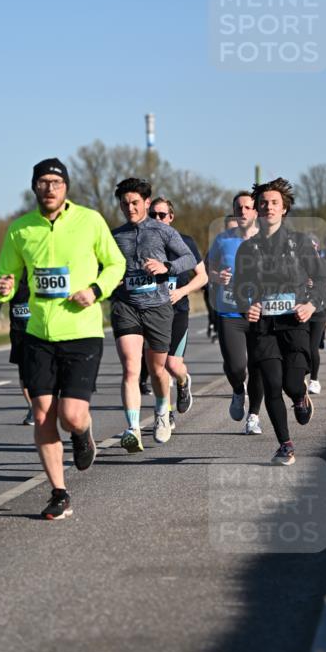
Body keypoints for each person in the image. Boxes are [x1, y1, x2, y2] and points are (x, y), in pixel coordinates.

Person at [0, 158, 125, 520]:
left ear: (66, 187)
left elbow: (116, 264)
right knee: (42, 414)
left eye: (56, 182)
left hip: (82, 332)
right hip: (37, 334)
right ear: (34, 187)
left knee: (70, 416)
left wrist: (95, 290)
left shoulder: (90, 220)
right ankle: (59, 492)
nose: (49, 188)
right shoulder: (20, 229)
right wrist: (4, 288)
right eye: (43, 182)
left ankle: (82, 434)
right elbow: (6, 276)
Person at [233, 177, 326, 466]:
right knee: (272, 385)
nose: (269, 207)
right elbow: (239, 288)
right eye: (263, 203)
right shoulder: (248, 249)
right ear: (257, 209)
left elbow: (321, 279)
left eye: (275, 203)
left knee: (291, 383)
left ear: (284, 208)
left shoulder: (300, 242)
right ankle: (285, 445)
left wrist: (311, 305)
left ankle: (300, 397)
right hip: (263, 328)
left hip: (294, 323)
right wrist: (247, 307)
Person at [110, 178, 198, 452]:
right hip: (126, 306)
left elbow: (189, 259)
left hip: (158, 307)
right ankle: (133, 429)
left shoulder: (163, 231)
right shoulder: (115, 235)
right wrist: (110, 279)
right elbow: (100, 265)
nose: (130, 208)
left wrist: (166, 267)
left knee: (158, 369)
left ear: (146, 203)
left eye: (135, 203)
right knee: (131, 367)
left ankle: (162, 410)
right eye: (125, 204)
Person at [207, 191, 264, 434]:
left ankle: (254, 416)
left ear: (256, 212)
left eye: (247, 207)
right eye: (238, 208)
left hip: (260, 313)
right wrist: (216, 276)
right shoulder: (222, 240)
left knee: (258, 366)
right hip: (230, 312)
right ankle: (239, 390)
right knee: (237, 366)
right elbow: (207, 269)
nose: (242, 211)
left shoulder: (267, 240)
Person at [148, 196, 207, 428]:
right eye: (152, 215)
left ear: (171, 217)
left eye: (162, 215)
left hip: (177, 311)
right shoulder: (141, 243)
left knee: (173, 366)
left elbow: (202, 277)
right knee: (158, 367)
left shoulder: (185, 242)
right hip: (151, 313)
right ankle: (166, 412)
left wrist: (182, 291)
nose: (157, 219)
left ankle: (183, 382)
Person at [8, 268, 34, 425]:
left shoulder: (38, 271)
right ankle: (32, 408)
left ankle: (46, 404)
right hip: (18, 333)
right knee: (24, 374)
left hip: (38, 332)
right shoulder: (12, 274)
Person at [307, 235, 326, 394]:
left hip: (319, 312)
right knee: (300, 347)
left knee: (312, 347)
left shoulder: (324, 264)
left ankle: (314, 380)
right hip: (301, 311)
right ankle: (300, 376)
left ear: (316, 247)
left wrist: (318, 284)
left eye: (312, 247)